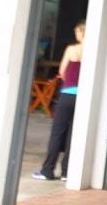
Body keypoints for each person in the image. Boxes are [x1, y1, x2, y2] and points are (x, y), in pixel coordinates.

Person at [33, 21, 85, 181]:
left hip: (67, 95)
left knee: (57, 133)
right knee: (72, 134)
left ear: (82, 33)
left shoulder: (72, 49)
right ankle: (66, 172)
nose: (76, 35)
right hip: (82, 96)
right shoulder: (94, 51)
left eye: (78, 32)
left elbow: (62, 70)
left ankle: (47, 170)